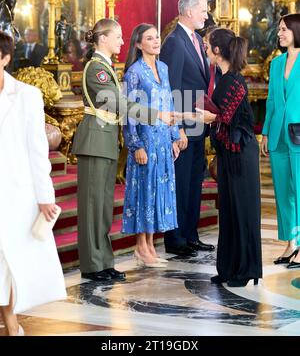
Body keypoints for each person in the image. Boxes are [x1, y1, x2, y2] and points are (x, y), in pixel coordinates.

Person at [72, 18, 177, 283]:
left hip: (105, 141)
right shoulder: (96, 69)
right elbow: (117, 102)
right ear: (103, 39)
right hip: (95, 141)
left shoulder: (106, 67)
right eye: (117, 36)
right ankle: (93, 265)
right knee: (93, 206)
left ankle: (103, 263)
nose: (122, 41)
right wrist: (157, 115)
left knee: (103, 206)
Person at [0, 31, 66, 336]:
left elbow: (38, 151)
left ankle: (12, 324)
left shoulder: (27, 96)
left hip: (16, 192)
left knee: (11, 262)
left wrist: (45, 196)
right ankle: (11, 324)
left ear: (5, 58)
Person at [185, 28, 262, 287]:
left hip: (241, 155)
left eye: (207, 45)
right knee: (228, 210)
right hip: (230, 153)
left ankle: (244, 270)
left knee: (241, 211)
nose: (205, 49)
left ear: (217, 51)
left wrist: (209, 117)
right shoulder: (223, 77)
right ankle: (229, 268)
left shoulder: (234, 81)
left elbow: (226, 118)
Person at [160, 0, 215, 257]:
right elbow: (172, 88)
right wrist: (178, 128)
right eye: (203, 9)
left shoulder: (195, 39)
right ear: (189, 11)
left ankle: (191, 234)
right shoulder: (174, 42)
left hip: (198, 124)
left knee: (195, 182)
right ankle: (176, 238)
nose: (207, 14)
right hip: (183, 125)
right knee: (180, 182)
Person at [122, 23, 180, 266]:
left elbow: (170, 104)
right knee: (144, 192)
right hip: (145, 140)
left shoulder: (164, 68)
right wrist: (136, 146)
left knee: (159, 192)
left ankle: (151, 245)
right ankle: (140, 246)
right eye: (149, 38)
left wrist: (175, 135)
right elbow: (128, 111)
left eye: (157, 37)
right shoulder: (133, 73)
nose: (156, 41)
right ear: (138, 44)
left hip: (163, 142)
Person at [261, 13, 300, 268]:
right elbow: (272, 101)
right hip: (278, 135)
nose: (280, 33)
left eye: (284, 29)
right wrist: (265, 132)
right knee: (283, 192)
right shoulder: (276, 64)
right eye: (279, 30)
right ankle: (290, 243)